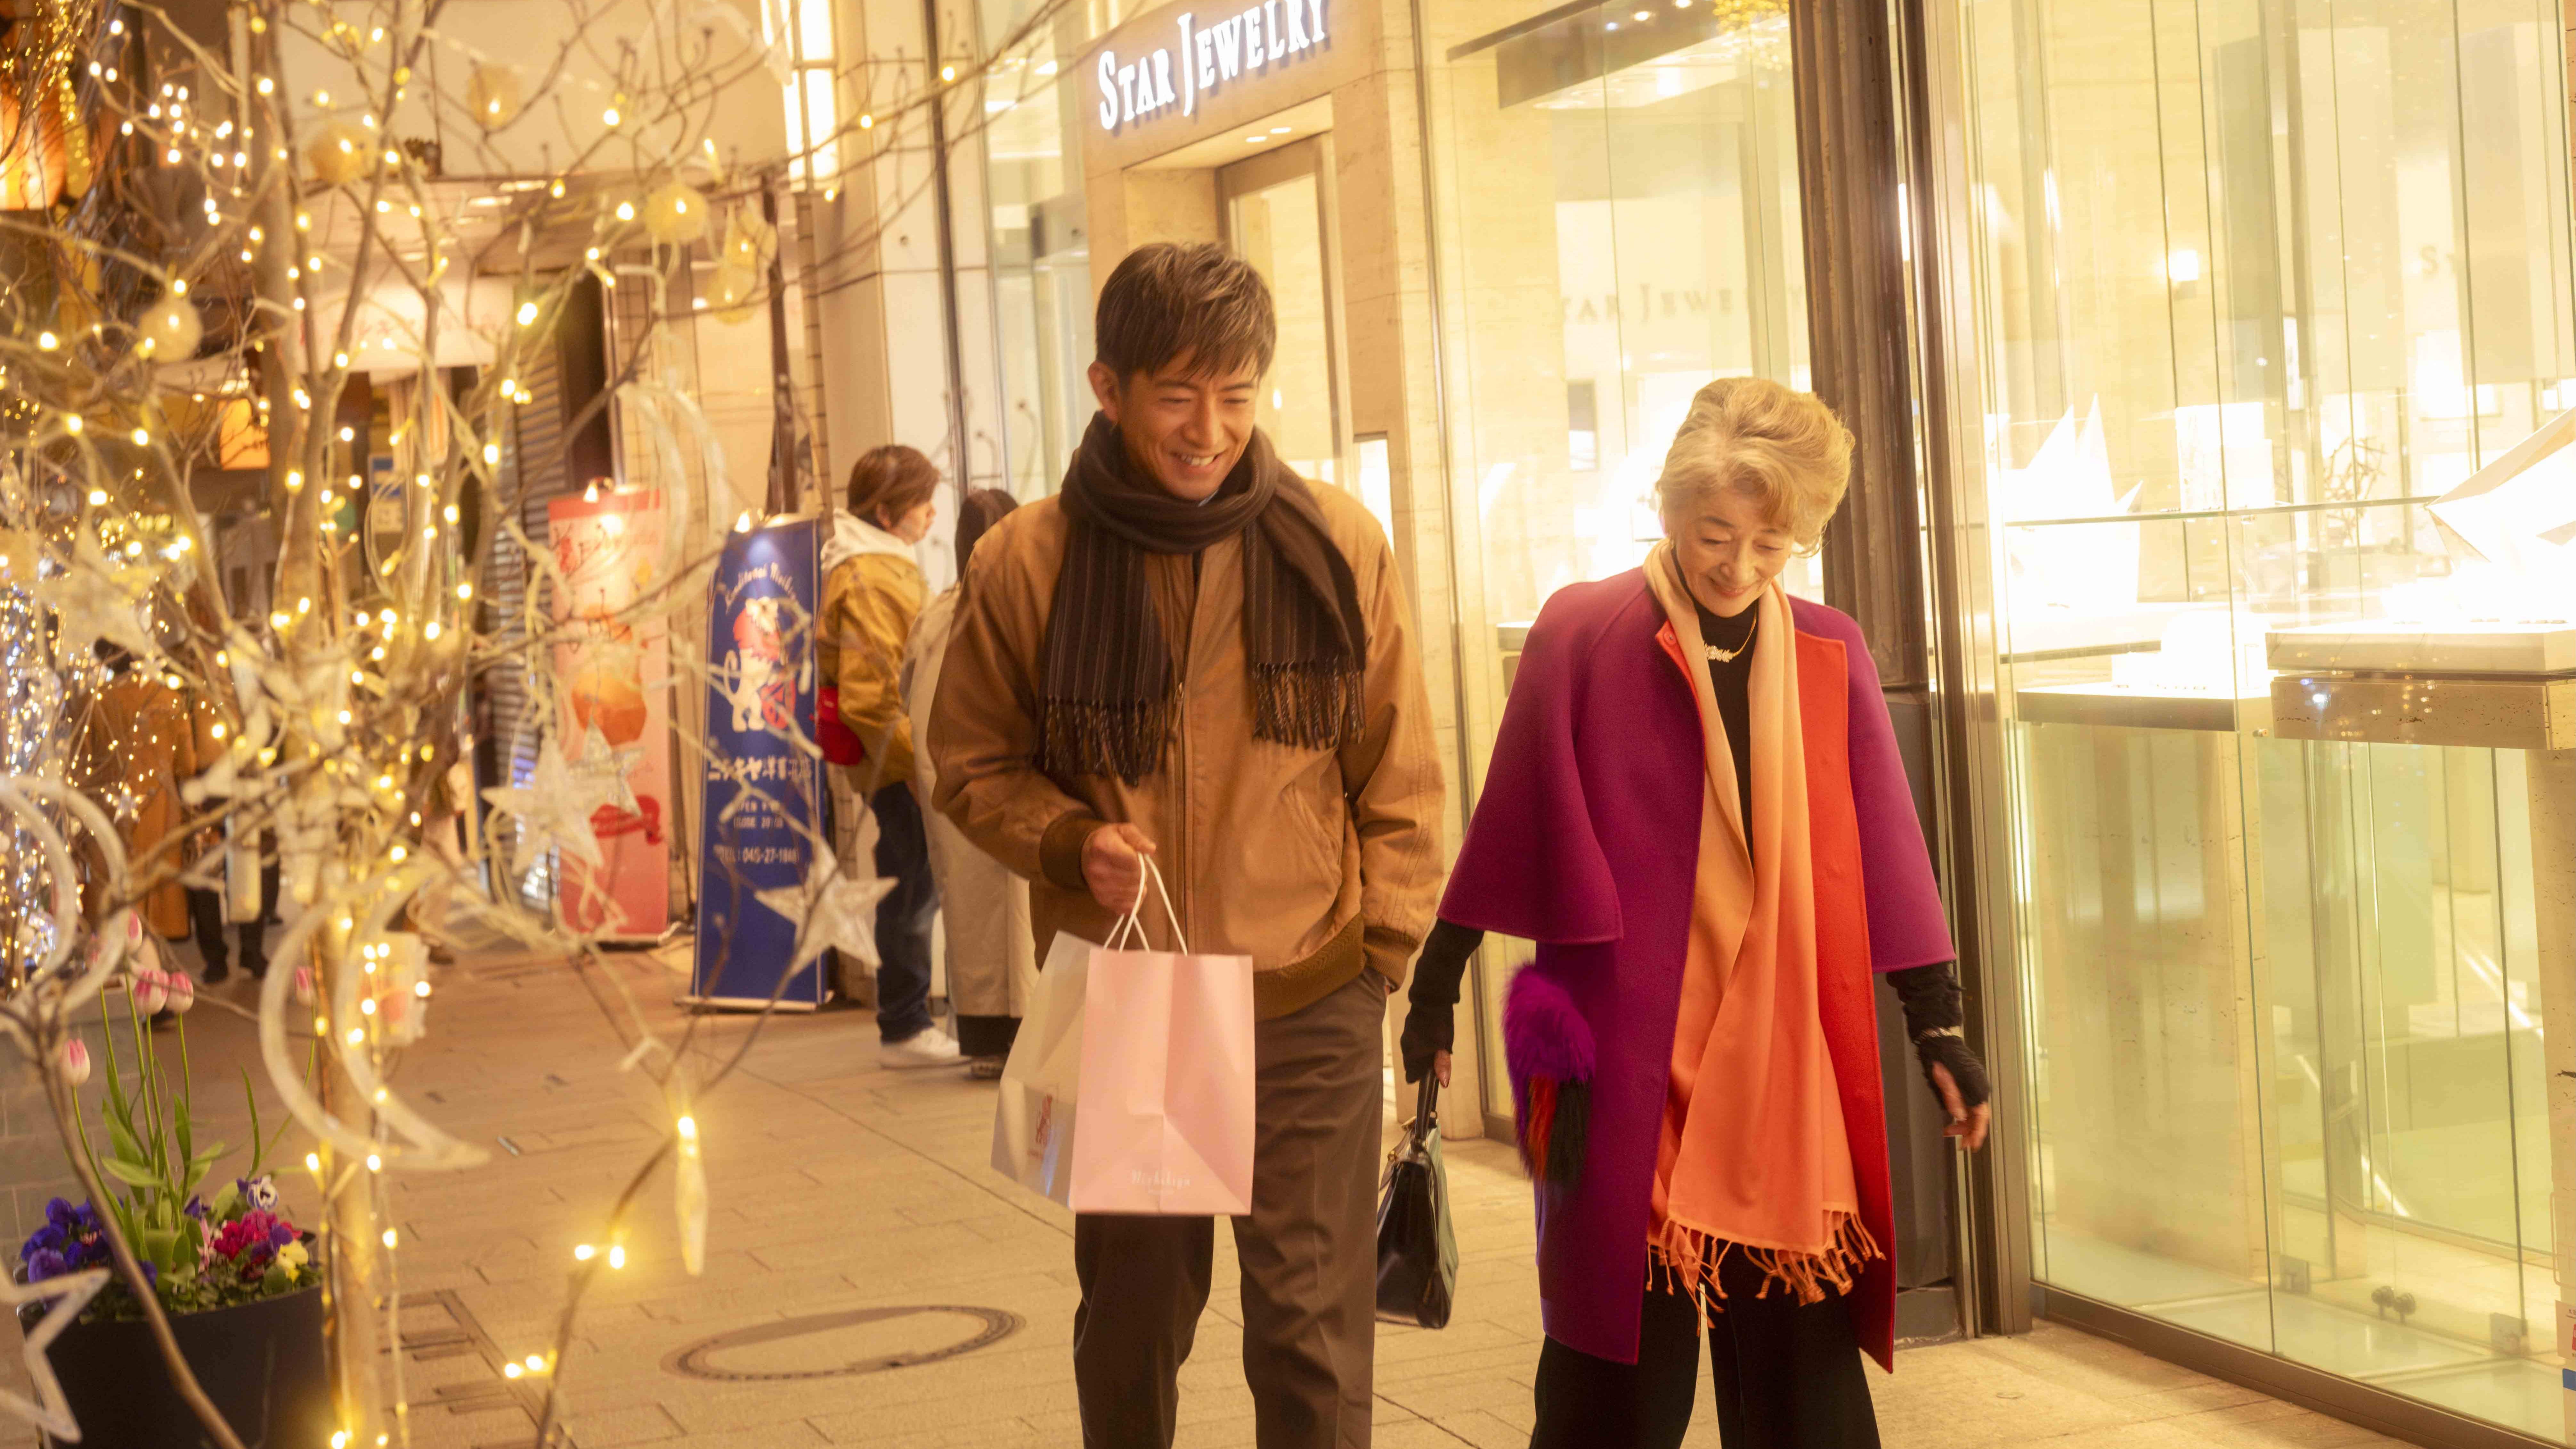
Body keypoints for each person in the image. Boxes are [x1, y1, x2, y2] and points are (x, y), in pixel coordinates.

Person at [1399, 378, 1994, 1449]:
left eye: (1771, 546)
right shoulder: (1584, 632)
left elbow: (1885, 847)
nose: (1737, 567)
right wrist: (1435, 991)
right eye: (1715, 533)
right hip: (1626, 1070)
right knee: (1610, 1394)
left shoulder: (1826, 649)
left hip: (1779, 1077)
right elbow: (1509, 823)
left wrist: (1937, 1022)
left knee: (1802, 1400)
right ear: (1668, 506)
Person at [929, 241, 1445, 1449]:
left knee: (1312, 1330)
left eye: (1237, 393)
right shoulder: (1031, 558)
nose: (1208, 428)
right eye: (1176, 394)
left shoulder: (1336, 543)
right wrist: (1065, 841)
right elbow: (970, 763)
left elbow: (1398, 770)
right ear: (1107, 388)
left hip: (1310, 989)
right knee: (1133, 1320)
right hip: (1135, 993)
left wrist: (1380, 951)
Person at [820, 444, 955, 1067]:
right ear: (885, 509)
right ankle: (904, 1024)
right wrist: (922, 761)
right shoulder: (872, 573)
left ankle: (906, 1019)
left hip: (893, 759)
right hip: (897, 762)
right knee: (911, 884)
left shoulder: (879, 563)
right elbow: (872, 697)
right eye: (920, 502)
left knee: (912, 880)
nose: (931, 513)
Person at [900, 486, 1033, 1080]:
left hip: (951, 790)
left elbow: (908, 699)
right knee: (1023, 908)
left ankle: (983, 1037)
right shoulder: (1026, 606)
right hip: (1020, 782)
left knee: (972, 910)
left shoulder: (933, 617)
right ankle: (1031, 1033)